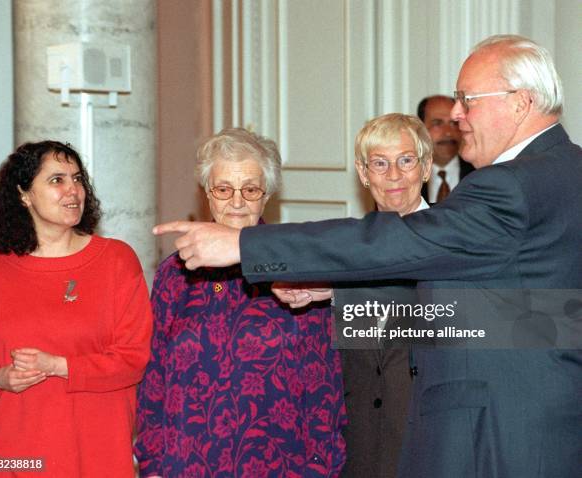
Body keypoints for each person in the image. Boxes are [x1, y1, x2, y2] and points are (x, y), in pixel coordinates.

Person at [153, 34, 582, 477]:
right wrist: (336, 294)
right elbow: (523, 318)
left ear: (521, 102)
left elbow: (403, 246)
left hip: (505, 433)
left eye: (467, 99)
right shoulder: (566, 172)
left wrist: (243, 244)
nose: (455, 114)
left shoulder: (510, 185)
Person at [134, 128, 346, 478]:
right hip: (185, 465)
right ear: (206, 194)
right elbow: (154, 377)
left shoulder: (297, 267)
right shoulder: (175, 274)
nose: (236, 202)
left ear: (267, 196)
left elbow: (325, 391)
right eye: (223, 189)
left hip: (279, 467)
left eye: (250, 189)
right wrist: (153, 465)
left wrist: (320, 468)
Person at [0, 141, 153, 477]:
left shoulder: (116, 260)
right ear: (24, 194)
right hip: (12, 458)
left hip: (100, 457)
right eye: (57, 180)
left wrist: (58, 366)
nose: (73, 190)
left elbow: (133, 358)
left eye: (78, 179)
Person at [331, 114, 432, 477]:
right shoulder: (340, 251)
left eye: (406, 160)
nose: (393, 175)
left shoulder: (456, 242)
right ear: (363, 173)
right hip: (357, 447)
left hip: (430, 444)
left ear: (426, 168)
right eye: (379, 163)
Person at [417, 95, 474, 202]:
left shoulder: (478, 173)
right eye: (437, 123)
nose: (448, 132)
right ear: (420, 130)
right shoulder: (408, 175)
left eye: (454, 123)